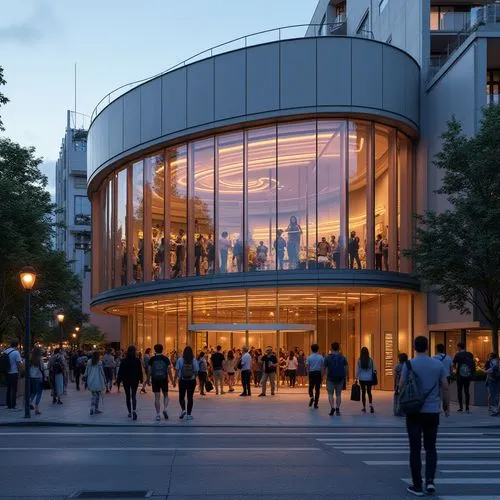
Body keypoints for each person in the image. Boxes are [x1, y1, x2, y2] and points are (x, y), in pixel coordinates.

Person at [399, 336, 450, 497]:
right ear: (428, 347)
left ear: (414, 347)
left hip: (414, 411)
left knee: (414, 449)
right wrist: (446, 406)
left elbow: (401, 385)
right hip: (432, 411)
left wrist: (402, 402)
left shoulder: (409, 364)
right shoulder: (438, 364)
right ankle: (430, 482)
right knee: (430, 447)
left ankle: (416, 485)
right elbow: (445, 386)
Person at [116, 345, 143, 420]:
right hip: (135, 379)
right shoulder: (137, 360)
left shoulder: (124, 360)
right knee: (134, 396)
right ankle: (134, 410)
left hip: (126, 380)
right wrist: (141, 379)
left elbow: (120, 371)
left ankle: (129, 412)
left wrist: (118, 380)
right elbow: (140, 370)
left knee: (128, 396)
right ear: (134, 352)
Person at [149, 344, 175, 421]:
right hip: (164, 379)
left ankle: (158, 415)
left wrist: (147, 379)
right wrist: (172, 381)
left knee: (157, 397)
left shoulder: (152, 359)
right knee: (166, 395)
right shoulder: (166, 359)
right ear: (162, 350)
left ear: (155, 350)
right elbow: (169, 371)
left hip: (155, 379)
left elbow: (149, 370)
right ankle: (165, 409)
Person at [175, 346, 199, 420]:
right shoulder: (194, 360)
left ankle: (183, 410)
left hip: (182, 380)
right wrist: (194, 377)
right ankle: (189, 414)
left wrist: (174, 380)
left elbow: (176, 370)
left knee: (181, 396)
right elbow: (196, 370)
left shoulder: (180, 360)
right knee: (190, 397)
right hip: (191, 381)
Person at [324, 342, 348, 416]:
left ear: (331, 348)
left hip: (330, 378)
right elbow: (346, 368)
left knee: (330, 394)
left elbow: (325, 368)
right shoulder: (343, 357)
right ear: (339, 348)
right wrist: (345, 377)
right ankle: (337, 409)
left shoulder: (327, 357)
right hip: (340, 378)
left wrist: (325, 376)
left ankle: (332, 407)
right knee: (338, 394)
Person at [453, 342, 475, 413]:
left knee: (459, 391)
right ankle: (467, 408)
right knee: (467, 391)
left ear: (459, 347)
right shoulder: (470, 354)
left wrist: (455, 370)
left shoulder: (457, 354)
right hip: (467, 375)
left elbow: (454, 365)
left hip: (460, 375)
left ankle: (461, 407)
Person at [84, 351, 106, 416]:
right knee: (97, 395)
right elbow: (102, 372)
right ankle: (95, 408)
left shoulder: (89, 361)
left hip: (90, 380)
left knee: (93, 395)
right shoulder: (99, 362)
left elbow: (86, 371)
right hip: (98, 380)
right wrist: (104, 379)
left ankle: (92, 408)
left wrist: (84, 377)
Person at [356, 347, 376, 413]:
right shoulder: (371, 360)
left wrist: (356, 378)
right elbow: (374, 369)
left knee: (363, 392)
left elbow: (358, 370)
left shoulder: (359, 360)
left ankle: (364, 407)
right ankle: (371, 405)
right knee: (369, 392)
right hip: (369, 378)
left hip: (362, 378)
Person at [4, 340, 22, 410]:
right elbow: (18, 364)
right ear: (16, 346)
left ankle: (8, 404)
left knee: (8, 388)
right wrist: (20, 372)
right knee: (14, 389)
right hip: (14, 372)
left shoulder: (6, 351)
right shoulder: (16, 352)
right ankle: (13, 404)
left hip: (7, 372)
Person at [306, 344, 324, 409]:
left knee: (310, 387)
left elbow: (307, 367)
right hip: (318, 373)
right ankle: (316, 404)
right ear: (318, 349)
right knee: (317, 389)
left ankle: (311, 397)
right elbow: (322, 367)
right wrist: (322, 376)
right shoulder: (321, 357)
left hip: (311, 373)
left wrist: (308, 375)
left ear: (311, 349)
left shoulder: (309, 357)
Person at [29, 347, 45, 415]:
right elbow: (42, 368)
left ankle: (29, 402)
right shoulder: (40, 360)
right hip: (39, 377)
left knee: (34, 391)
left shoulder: (31, 359)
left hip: (32, 377)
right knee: (39, 393)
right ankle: (36, 408)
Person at [394, 353, 408, 417]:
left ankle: (398, 410)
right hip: (407, 384)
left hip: (398, 384)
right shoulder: (408, 366)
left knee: (398, 398)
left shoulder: (397, 366)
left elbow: (395, 376)